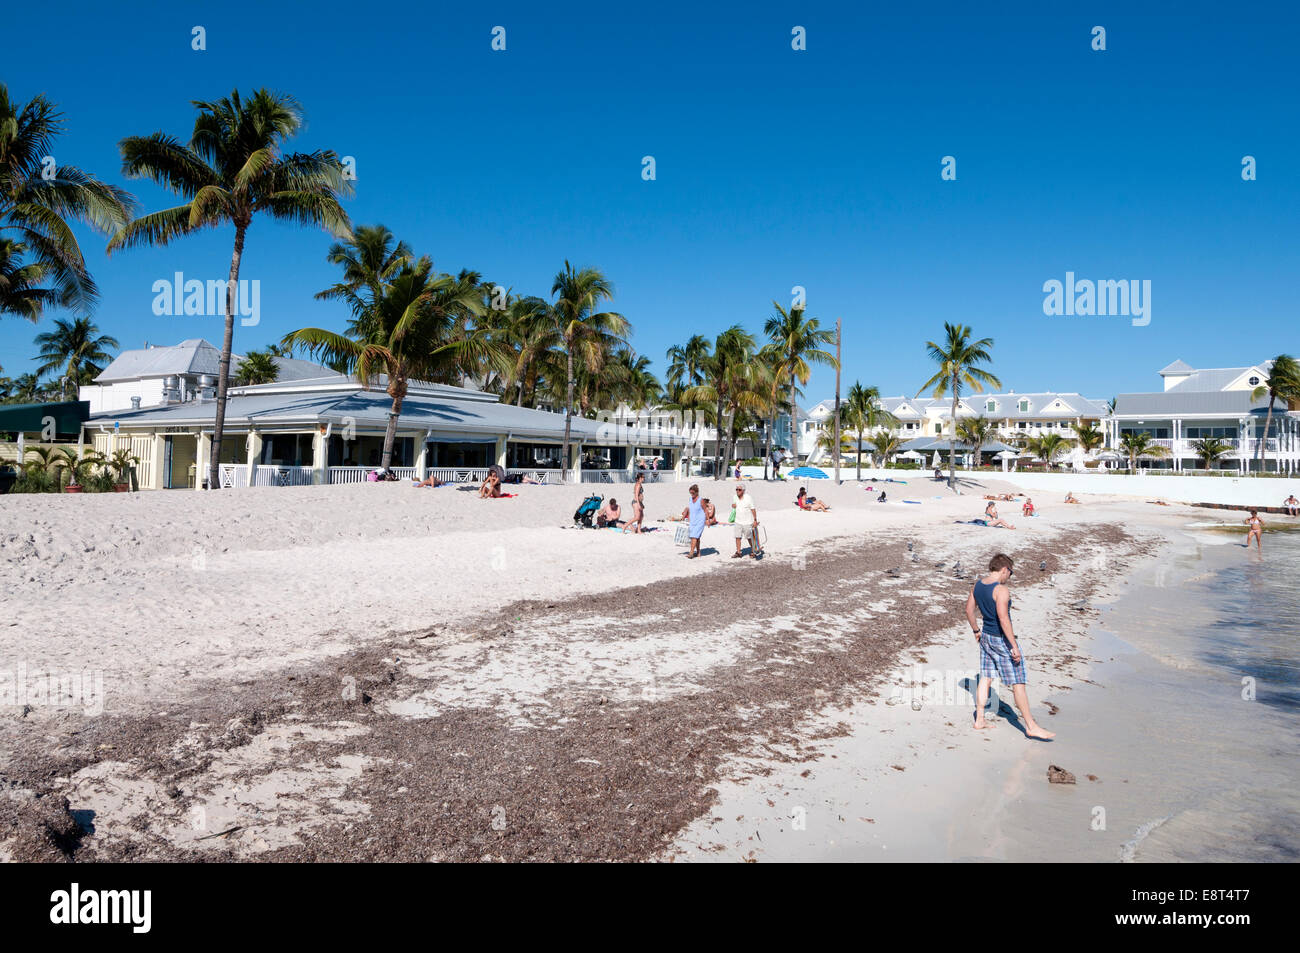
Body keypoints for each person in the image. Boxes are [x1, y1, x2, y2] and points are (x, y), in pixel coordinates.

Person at [964, 554, 1055, 740]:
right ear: (1004, 569)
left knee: (986, 677)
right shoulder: (1001, 590)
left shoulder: (978, 585)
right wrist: (1013, 645)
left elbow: (968, 610)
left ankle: (979, 719)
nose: (1010, 577)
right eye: (1010, 573)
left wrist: (976, 631)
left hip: (986, 637)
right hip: (1001, 639)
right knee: (1018, 682)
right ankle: (1031, 726)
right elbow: (1003, 618)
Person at [731, 482, 761, 558]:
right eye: (736, 489)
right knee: (737, 537)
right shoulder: (734, 497)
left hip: (747, 521)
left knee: (749, 537)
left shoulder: (748, 498)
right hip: (738, 520)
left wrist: (755, 520)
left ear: (743, 491)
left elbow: (753, 509)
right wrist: (733, 506)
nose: (737, 491)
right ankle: (738, 552)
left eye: (739, 490)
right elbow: (734, 506)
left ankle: (753, 550)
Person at [679, 484, 706, 558]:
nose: (692, 494)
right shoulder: (690, 499)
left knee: (694, 536)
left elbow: (705, 510)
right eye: (690, 493)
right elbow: (690, 509)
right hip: (693, 520)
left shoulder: (701, 500)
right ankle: (698, 553)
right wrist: (685, 516)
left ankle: (691, 553)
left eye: (693, 493)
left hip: (700, 520)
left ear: (697, 492)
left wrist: (708, 521)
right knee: (696, 537)